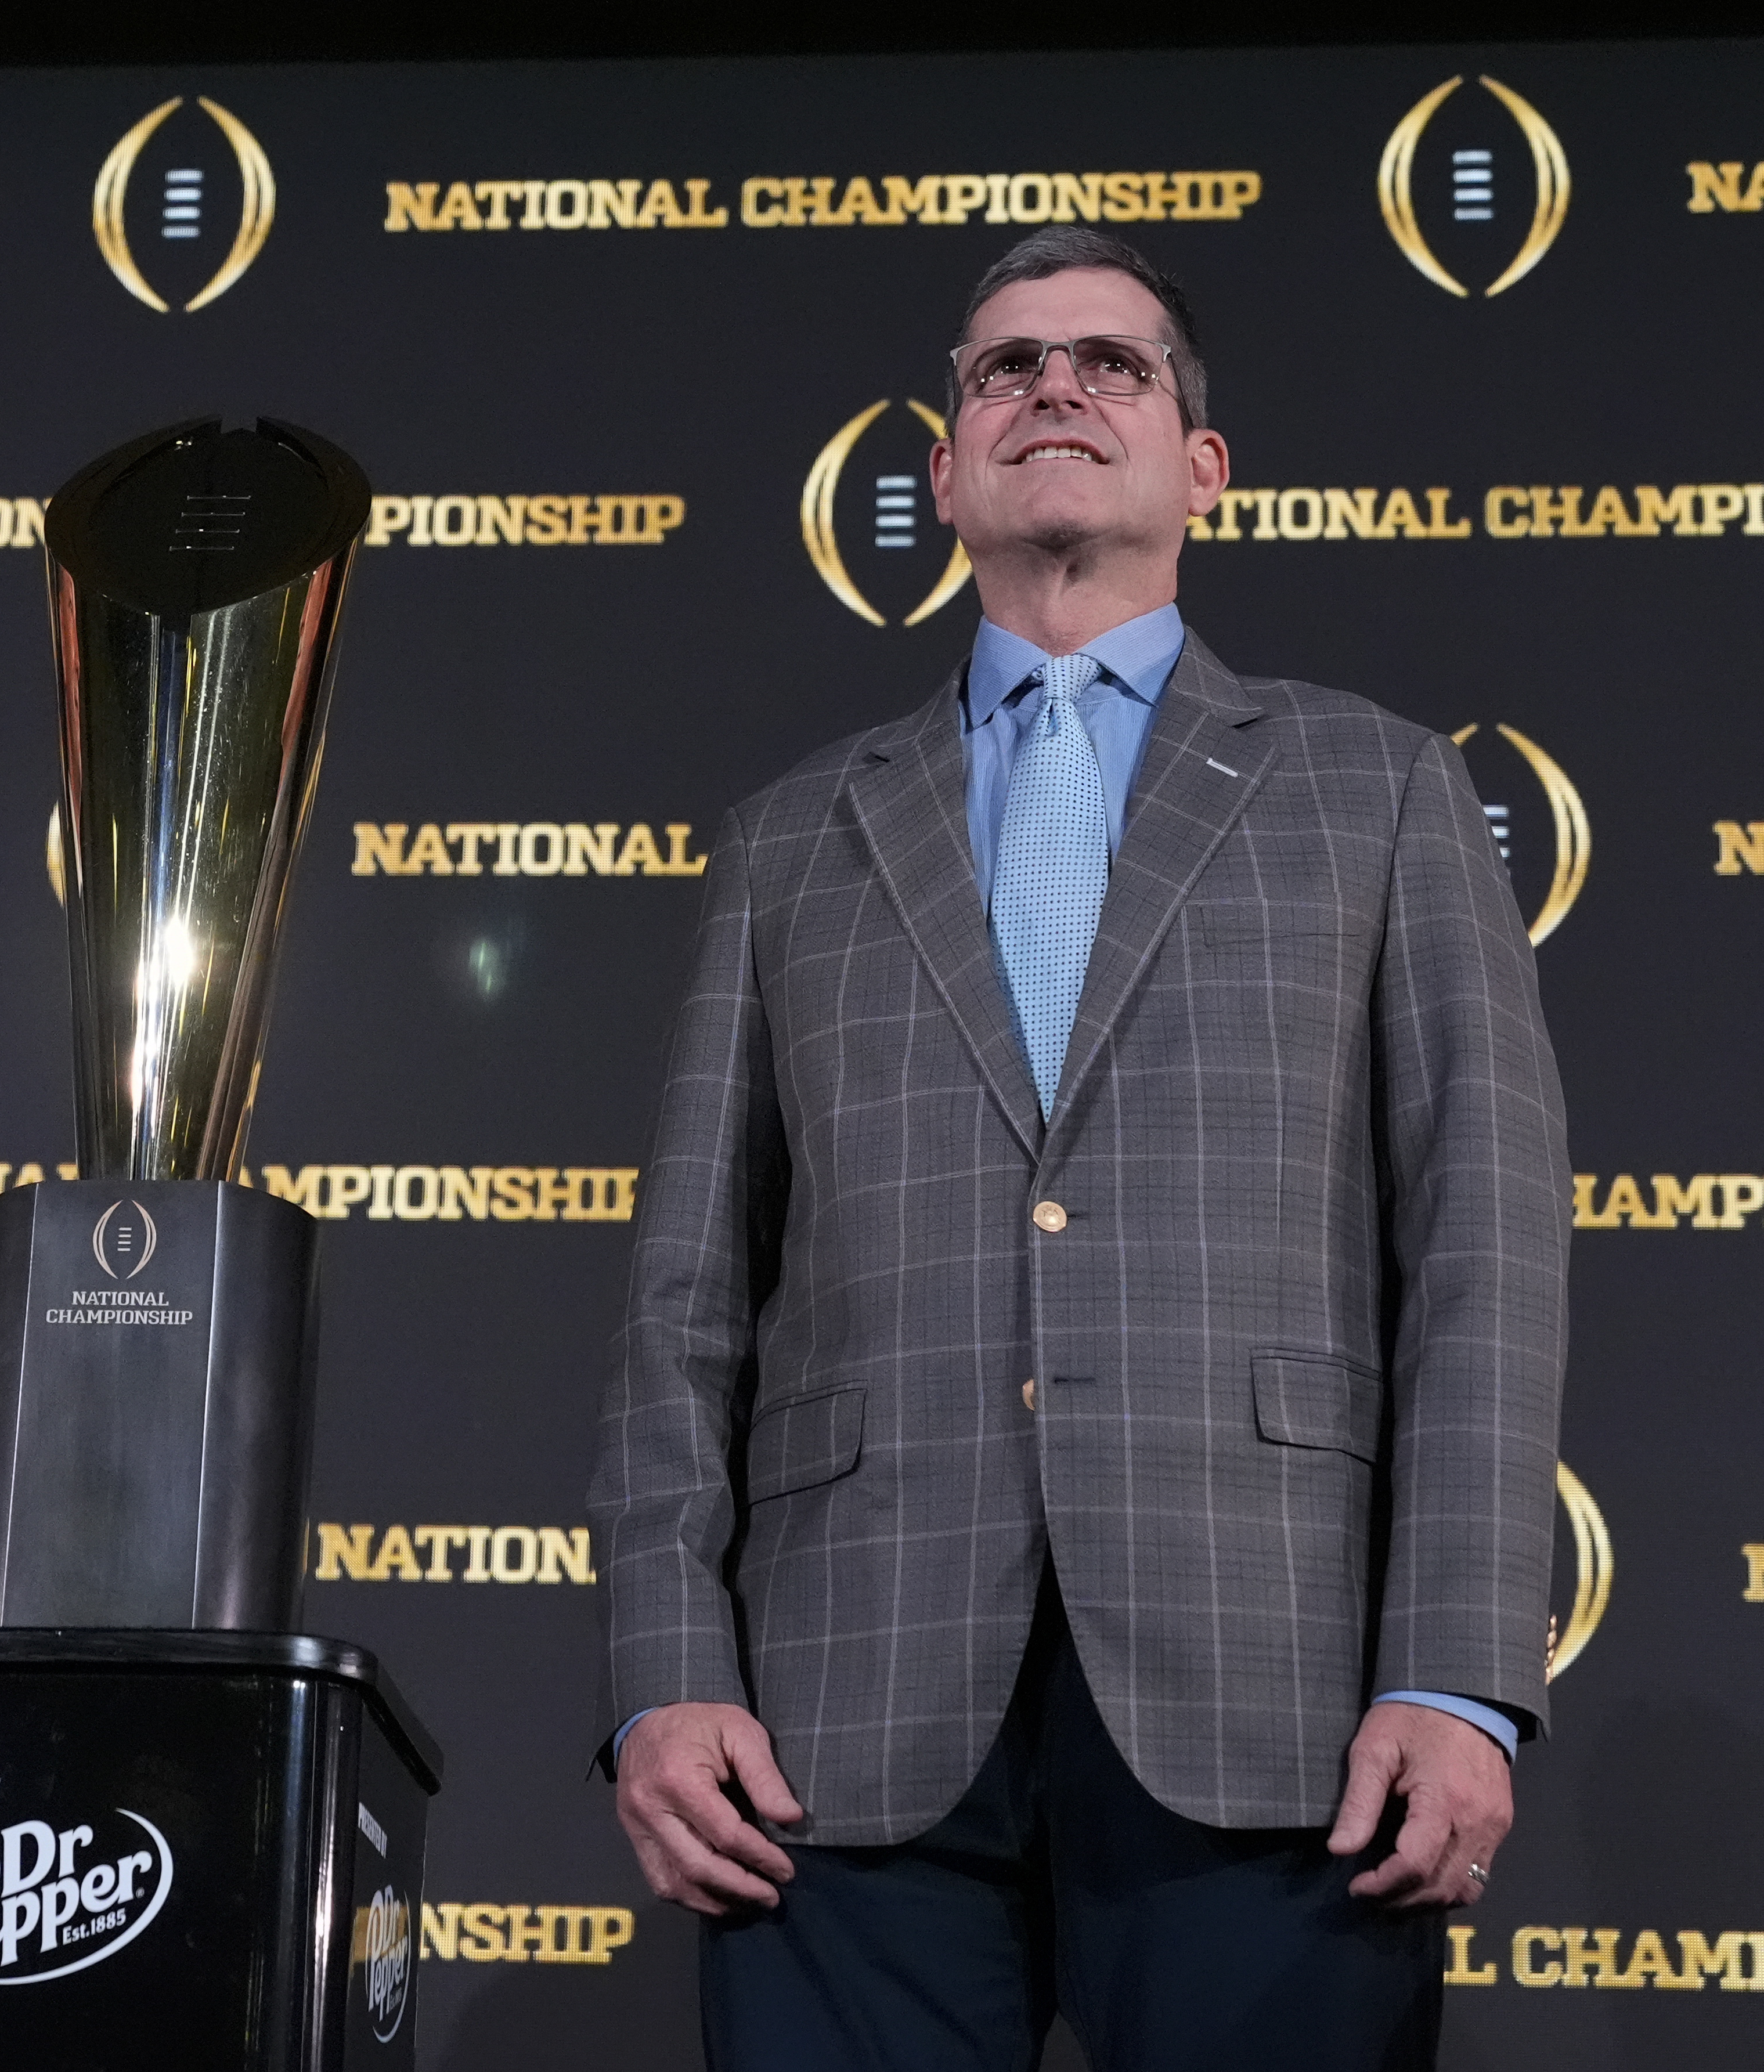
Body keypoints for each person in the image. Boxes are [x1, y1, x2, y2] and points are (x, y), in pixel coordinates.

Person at [591, 226, 1567, 2070]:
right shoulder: (791, 837)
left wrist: (1454, 1675)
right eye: (1004, 366)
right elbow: (684, 1299)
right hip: (834, 1719)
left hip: (1275, 1693)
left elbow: (1484, 1249)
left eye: (1110, 364)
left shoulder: (1378, 788)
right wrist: (662, 1669)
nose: (1053, 386)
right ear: (946, 472)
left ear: (1202, 468)